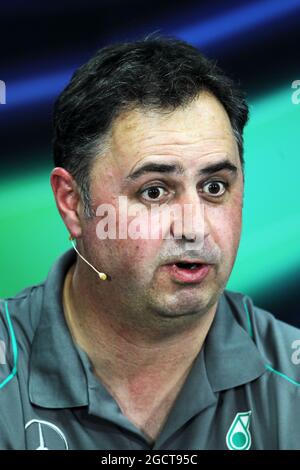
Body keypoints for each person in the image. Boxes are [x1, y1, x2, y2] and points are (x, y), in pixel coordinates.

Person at [1, 36, 300, 451]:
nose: (194, 227)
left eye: (215, 187)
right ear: (72, 204)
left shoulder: (291, 376)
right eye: (155, 192)